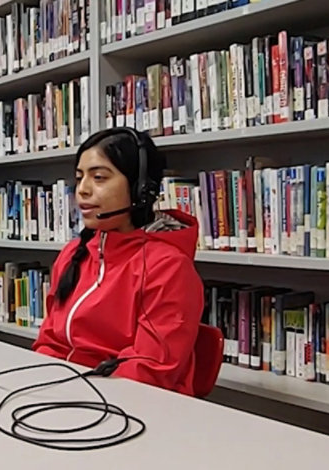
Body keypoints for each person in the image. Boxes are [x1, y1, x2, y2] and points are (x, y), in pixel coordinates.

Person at [32, 127, 205, 396]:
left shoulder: (168, 268)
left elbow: (150, 370)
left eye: (99, 177)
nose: (82, 190)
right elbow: (49, 341)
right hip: (66, 394)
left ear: (140, 188)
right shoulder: (73, 254)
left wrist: (73, 394)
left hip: (133, 406)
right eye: (79, 178)